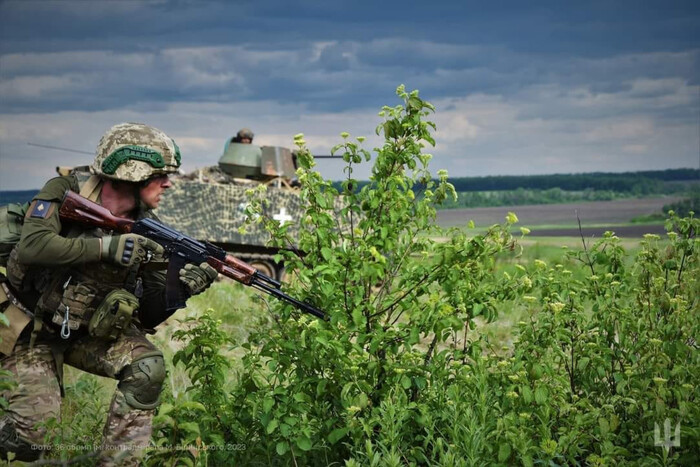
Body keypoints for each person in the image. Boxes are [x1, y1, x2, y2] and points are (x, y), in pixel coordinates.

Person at [0, 122, 218, 465]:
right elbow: (31, 246)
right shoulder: (65, 189)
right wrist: (105, 247)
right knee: (29, 441)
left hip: (82, 332)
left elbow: (148, 314)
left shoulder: (149, 228)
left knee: (147, 367)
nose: (168, 183)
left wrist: (183, 286)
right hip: (24, 328)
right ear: (133, 173)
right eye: (160, 175)